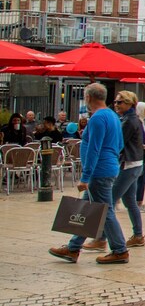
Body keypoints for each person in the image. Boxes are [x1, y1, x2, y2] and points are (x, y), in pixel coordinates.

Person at [47, 83, 129, 265]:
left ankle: (120, 249)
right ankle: (73, 247)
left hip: (99, 171)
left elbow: (94, 148)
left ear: (89, 98)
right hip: (108, 167)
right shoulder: (113, 116)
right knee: (88, 209)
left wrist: (85, 176)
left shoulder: (98, 118)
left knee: (104, 211)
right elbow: (120, 144)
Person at [82, 91, 145, 252]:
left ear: (130, 104)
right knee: (130, 201)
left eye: (120, 102)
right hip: (135, 164)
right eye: (116, 102)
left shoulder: (128, 121)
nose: (117, 105)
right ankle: (138, 235)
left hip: (128, 165)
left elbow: (118, 143)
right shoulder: (133, 119)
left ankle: (101, 239)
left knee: (107, 205)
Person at [134, 102, 145, 213]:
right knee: (141, 179)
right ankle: (138, 202)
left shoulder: (141, 122)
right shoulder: (138, 123)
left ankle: (137, 201)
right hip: (138, 156)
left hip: (141, 155)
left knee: (140, 179)